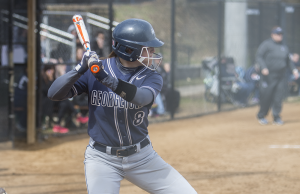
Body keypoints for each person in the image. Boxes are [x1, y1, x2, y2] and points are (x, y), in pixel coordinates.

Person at [48, 18, 197, 194]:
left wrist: (108, 80)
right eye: (147, 48)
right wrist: (80, 68)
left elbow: (141, 98)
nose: (153, 52)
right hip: (102, 159)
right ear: (129, 50)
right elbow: (54, 94)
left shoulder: (151, 76)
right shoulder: (94, 70)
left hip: (142, 157)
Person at [256, 26, 299, 125]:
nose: (280, 36)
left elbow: (288, 61)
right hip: (268, 76)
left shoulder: (283, 47)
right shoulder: (266, 45)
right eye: (278, 34)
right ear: (272, 35)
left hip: (281, 76)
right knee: (266, 96)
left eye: (281, 34)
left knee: (278, 97)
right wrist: (263, 67)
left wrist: (294, 70)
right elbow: (259, 56)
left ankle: (276, 117)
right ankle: (261, 115)